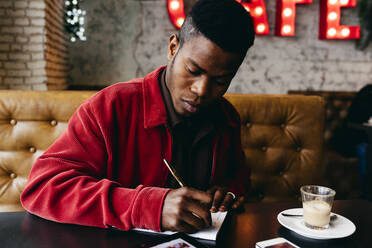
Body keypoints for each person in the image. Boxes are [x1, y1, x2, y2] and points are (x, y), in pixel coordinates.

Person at [20, 0, 255, 233]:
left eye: (220, 81)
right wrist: (147, 206)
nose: (201, 91)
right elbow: (42, 188)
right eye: (193, 71)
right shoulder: (109, 107)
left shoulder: (227, 117)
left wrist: (228, 192)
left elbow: (238, 177)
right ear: (173, 48)